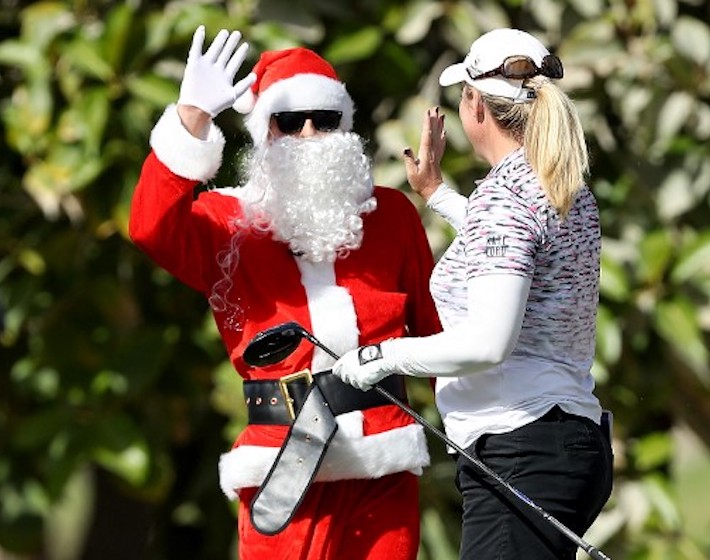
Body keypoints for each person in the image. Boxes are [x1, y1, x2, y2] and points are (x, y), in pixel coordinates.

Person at [129, 26, 441, 560]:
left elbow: (437, 338)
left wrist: (494, 436)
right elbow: (150, 227)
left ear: (345, 125)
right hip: (282, 468)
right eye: (289, 121)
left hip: (384, 461)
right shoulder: (227, 222)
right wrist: (191, 118)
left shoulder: (391, 215)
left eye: (325, 120)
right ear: (263, 132)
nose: (309, 134)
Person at [333, 28, 614, 560]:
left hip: (522, 450)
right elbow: (506, 252)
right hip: (566, 443)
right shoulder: (559, 183)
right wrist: (439, 195)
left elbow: (487, 344)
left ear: (474, 106)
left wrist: (381, 356)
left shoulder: (506, 197)